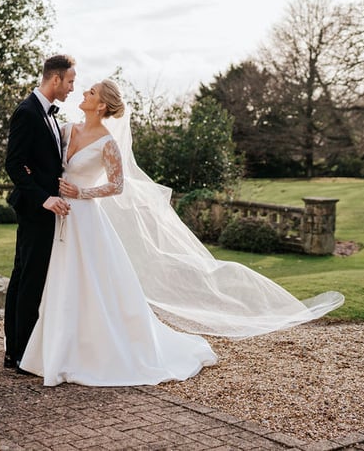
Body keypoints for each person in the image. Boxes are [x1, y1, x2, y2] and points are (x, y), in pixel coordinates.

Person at [18, 79, 344, 386]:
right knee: (60, 278)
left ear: (101, 105)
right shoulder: (66, 129)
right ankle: (54, 345)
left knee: (90, 281)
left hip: (86, 217)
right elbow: (45, 159)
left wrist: (83, 192)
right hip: (60, 215)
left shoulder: (107, 144)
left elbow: (117, 186)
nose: (83, 94)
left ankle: (93, 349)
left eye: (90, 92)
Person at [3, 54, 76, 371]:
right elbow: (13, 164)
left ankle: (15, 351)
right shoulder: (27, 112)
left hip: (43, 207)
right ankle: (22, 355)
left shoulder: (49, 114)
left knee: (25, 276)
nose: (72, 87)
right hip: (35, 209)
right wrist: (44, 198)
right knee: (29, 280)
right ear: (55, 79)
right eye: (70, 81)